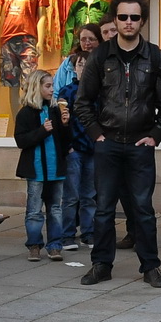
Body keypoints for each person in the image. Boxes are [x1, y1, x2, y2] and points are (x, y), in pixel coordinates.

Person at [75, 0, 161, 288]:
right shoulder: (100, 55)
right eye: (123, 17)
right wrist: (98, 135)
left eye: (134, 17)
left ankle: (151, 267)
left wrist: (156, 135)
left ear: (142, 21)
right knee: (104, 207)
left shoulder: (155, 56)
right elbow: (83, 102)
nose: (128, 22)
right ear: (115, 20)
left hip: (139, 144)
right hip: (108, 144)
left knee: (143, 209)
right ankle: (101, 264)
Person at [53, 21, 105, 250]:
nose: (84, 68)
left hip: (93, 148)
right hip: (74, 150)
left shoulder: (99, 91)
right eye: (80, 65)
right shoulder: (67, 92)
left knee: (89, 195)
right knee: (71, 195)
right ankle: (66, 235)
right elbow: (62, 121)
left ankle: (89, 233)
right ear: (75, 68)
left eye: (87, 64)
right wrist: (68, 146)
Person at [15, 68, 67, 261]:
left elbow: (65, 141)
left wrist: (65, 124)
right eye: (48, 86)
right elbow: (21, 140)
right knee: (34, 210)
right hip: (36, 170)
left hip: (56, 169)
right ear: (37, 87)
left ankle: (55, 245)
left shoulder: (55, 110)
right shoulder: (26, 113)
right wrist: (42, 131)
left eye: (52, 85)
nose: (52, 89)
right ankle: (34, 244)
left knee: (55, 209)